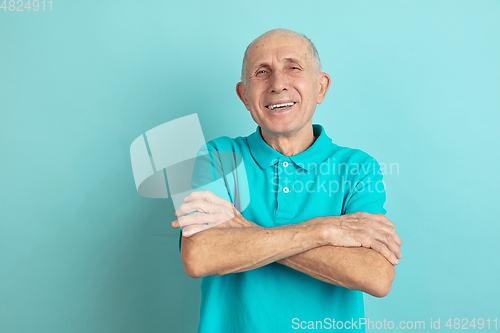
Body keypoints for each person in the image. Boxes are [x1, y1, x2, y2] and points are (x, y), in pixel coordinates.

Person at [171, 29, 402, 333]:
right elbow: (199, 257)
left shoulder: (357, 168)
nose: (278, 84)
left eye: (293, 68)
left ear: (321, 88)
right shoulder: (218, 157)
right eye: (262, 72)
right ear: (244, 95)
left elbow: (376, 276)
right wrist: (324, 230)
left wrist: (242, 231)